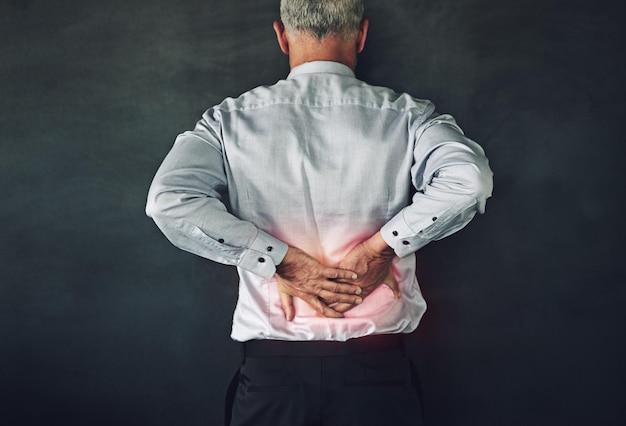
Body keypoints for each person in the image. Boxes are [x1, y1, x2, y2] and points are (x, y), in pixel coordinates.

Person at [146, 0, 493, 424]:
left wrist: (278, 260)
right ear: (361, 34)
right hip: (377, 379)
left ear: (281, 34)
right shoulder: (408, 117)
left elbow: (170, 201)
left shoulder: (228, 121)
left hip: (272, 379)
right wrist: (380, 249)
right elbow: (469, 181)